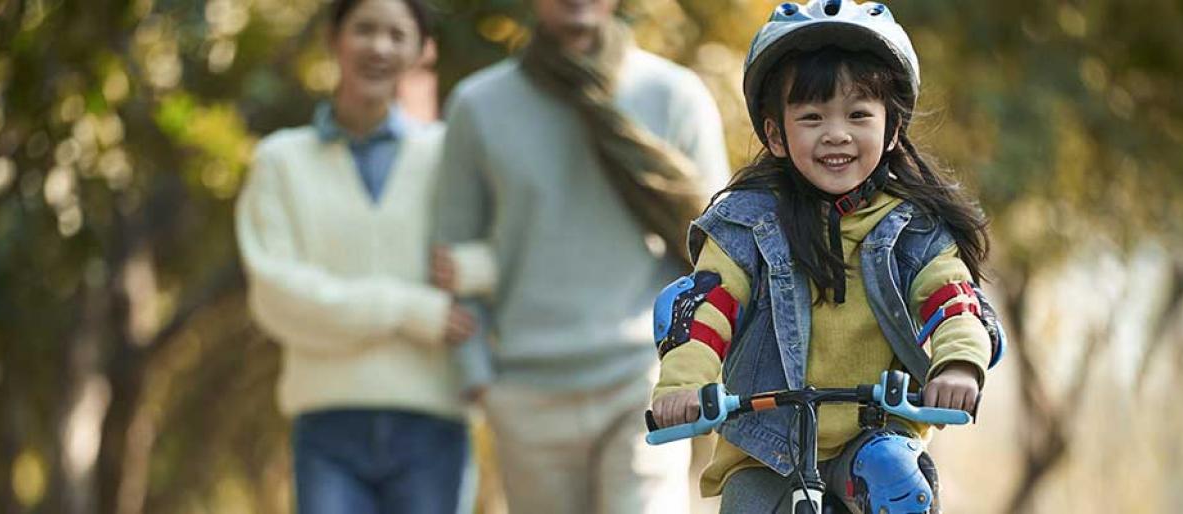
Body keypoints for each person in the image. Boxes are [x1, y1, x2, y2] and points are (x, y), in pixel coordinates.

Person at [647, 1, 1007, 512]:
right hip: (767, 446)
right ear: (775, 134)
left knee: (898, 483)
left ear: (892, 130)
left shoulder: (913, 228)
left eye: (859, 114)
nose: (836, 133)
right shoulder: (744, 225)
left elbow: (952, 299)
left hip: (876, 433)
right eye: (812, 117)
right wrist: (685, 384)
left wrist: (958, 366)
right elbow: (709, 306)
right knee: (748, 504)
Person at [428, 0, 731, 511]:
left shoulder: (674, 95)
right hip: (526, 393)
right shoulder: (479, 105)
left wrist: (692, 373)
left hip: (640, 384)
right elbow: (450, 252)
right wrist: (478, 376)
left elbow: (722, 256)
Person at [234, 0, 481, 512]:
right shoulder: (279, 161)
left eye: (397, 34)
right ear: (333, 39)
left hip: (435, 427)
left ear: (420, 50)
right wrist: (412, 310)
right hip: (327, 429)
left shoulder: (448, 153)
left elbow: (498, 255)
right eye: (364, 30)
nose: (379, 47)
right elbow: (278, 296)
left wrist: (473, 270)